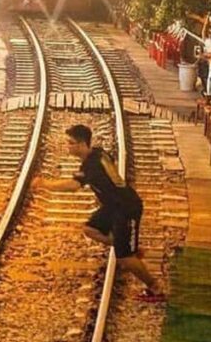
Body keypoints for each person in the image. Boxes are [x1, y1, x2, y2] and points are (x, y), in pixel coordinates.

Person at [33, 125, 164, 302]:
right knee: (89, 229)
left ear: (80, 144)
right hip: (113, 206)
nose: (68, 146)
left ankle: (155, 289)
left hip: (126, 207)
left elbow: (73, 186)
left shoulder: (91, 165)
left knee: (125, 258)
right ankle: (125, 244)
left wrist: (45, 184)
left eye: (70, 143)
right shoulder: (98, 153)